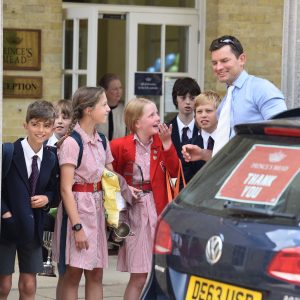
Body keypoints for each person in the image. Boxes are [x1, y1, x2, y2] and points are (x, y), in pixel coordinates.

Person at [110, 98, 179, 300]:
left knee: (162, 274)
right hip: (135, 214)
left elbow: (175, 177)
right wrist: (125, 188)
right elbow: (109, 177)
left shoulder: (162, 142)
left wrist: (167, 145)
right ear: (137, 122)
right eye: (151, 115)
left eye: (157, 113)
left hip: (159, 211)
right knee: (139, 276)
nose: (158, 118)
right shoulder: (119, 146)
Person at [182, 35, 287, 162]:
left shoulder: (261, 89)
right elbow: (231, 156)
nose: (218, 67)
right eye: (215, 63)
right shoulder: (225, 102)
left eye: (225, 60)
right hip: (232, 176)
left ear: (242, 59)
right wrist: (203, 154)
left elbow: (284, 136)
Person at [52, 86, 113, 300]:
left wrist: (114, 210)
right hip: (76, 212)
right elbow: (66, 190)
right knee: (73, 274)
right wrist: (77, 226)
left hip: (96, 210)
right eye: (103, 104)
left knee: (96, 273)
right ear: (88, 109)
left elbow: (110, 179)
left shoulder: (102, 140)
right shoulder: (71, 143)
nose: (108, 109)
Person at [0, 100, 57, 300]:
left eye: (46, 125)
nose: (40, 130)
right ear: (26, 125)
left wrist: (47, 198)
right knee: (3, 284)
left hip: (32, 227)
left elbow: (54, 190)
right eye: (35, 124)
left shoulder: (52, 158)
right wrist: (5, 213)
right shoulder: (7, 152)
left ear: (52, 128)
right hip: (5, 227)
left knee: (29, 285)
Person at [44, 99, 73, 299]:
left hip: (69, 207)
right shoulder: (45, 145)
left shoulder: (74, 144)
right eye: (56, 116)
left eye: (66, 116)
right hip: (48, 207)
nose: (60, 121)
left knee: (67, 267)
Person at [167, 77, 201, 184]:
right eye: (183, 97)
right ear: (175, 99)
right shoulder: (166, 130)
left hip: (198, 187)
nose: (187, 102)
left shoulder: (204, 129)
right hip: (172, 189)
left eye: (192, 98)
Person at [189, 90, 221, 175]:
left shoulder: (228, 140)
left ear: (219, 112)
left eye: (208, 111)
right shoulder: (190, 144)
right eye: (199, 111)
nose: (203, 115)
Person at [96, 73, 126, 140]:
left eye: (120, 88)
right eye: (115, 89)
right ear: (105, 91)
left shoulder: (125, 110)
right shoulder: (96, 110)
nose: (119, 92)